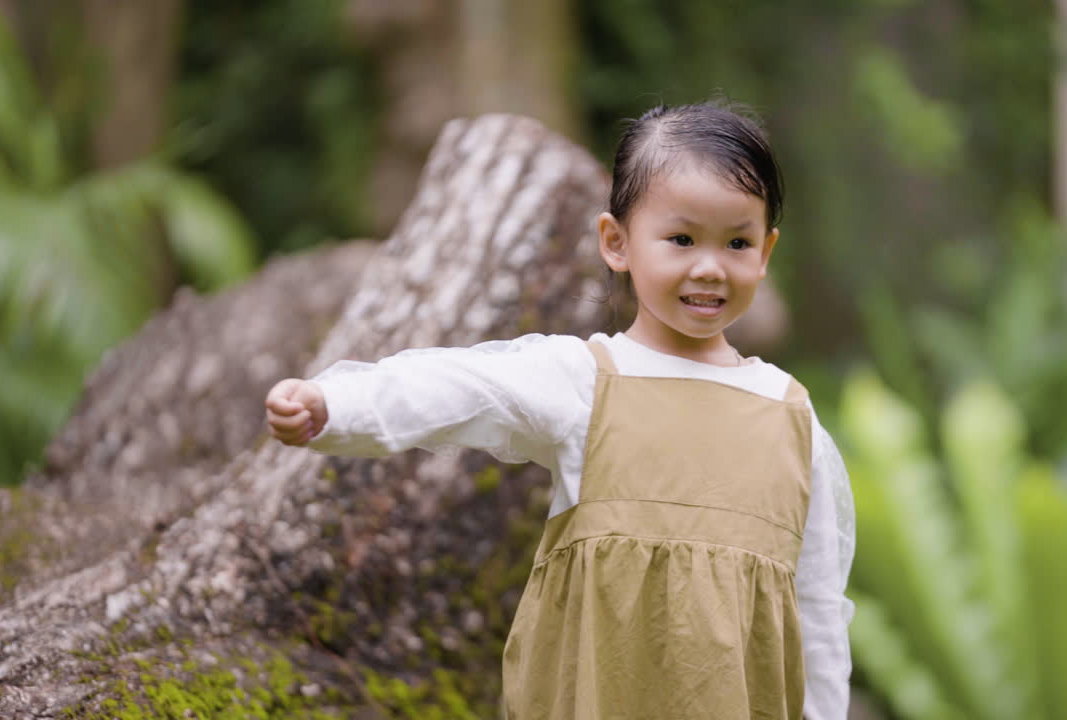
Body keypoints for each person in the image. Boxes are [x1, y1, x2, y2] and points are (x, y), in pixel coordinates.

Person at [265, 101, 856, 720]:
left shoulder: (791, 419)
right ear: (617, 242)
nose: (708, 266)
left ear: (765, 252)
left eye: (737, 241)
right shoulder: (587, 381)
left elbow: (815, 609)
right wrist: (336, 404)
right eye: (681, 239)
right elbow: (460, 386)